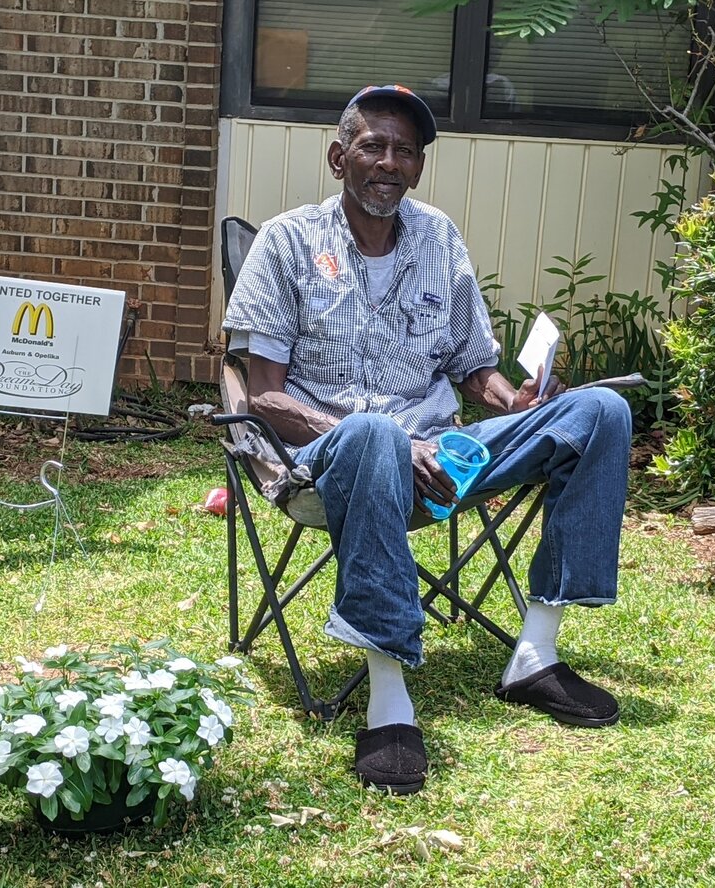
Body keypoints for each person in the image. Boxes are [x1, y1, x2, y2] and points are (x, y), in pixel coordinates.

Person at [223, 84, 632, 795]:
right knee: (377, 435)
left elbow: (474, 368)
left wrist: (517, 398)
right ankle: (389, 702)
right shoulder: (287, 243)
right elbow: (262, 393)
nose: (389, 161)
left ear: (417, 167)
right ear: (337, 156)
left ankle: (535, 656)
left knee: (600, 412)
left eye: (405, 151)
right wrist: (376, 438)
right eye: (373, 145)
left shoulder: (439, 236)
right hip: (332, 460)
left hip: (444, 459)